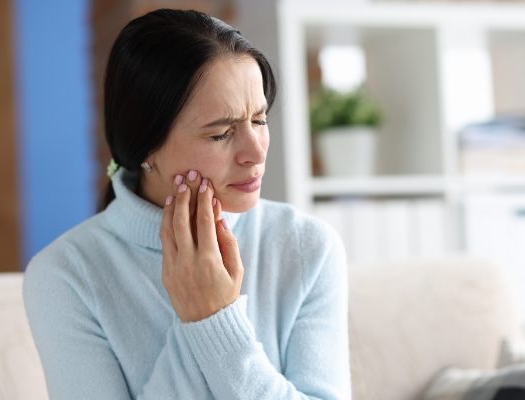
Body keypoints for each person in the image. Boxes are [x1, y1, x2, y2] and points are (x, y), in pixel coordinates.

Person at [23, 8, 350, 400]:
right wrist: (203, 316)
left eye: (259, 121)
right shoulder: (65, 277)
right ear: (146, 148)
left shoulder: (308, 246)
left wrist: (213, 320)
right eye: (221, 134)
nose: (255, 151)